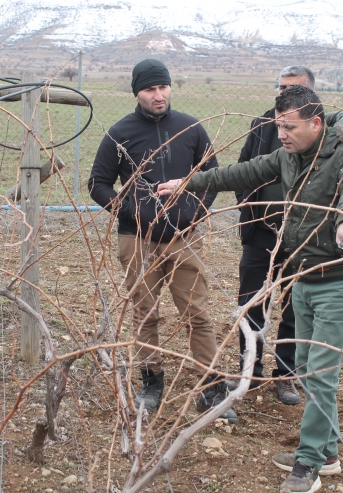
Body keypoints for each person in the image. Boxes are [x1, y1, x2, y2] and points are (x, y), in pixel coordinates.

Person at [158, 85, 343, 493]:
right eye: (278, 125)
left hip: (341, 281)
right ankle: (326, 453)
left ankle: (308, 464)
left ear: (315, 123)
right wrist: (189, 182)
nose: (281, 134)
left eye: (289, 127)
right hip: (306, 276)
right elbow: (240, 173)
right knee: (312, 369)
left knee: (322, 373)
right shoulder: (288, 156)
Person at [88, 59, 237, 422]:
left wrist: (195, 212)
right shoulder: (119, 133)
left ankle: (210, 385)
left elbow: (212, 175)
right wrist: (130, 211)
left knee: (197, 312)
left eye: (163, 87)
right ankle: (151, 380)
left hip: (184, 237)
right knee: (144, 313)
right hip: (137, 239)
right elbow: (98, 184)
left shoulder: (190, 128)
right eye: (150, 89)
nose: (158, 95)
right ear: (137, 92)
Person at [231, 66, 343, 407]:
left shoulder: (329, 134)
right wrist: (248, 206)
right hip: (261, 231)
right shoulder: (263, 124)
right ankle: (249, 368)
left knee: (293, 308)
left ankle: (285, 375)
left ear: (311, 97)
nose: (283, 95)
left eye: (293, 89)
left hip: (301, 236)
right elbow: (244, 168)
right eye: (281, 88)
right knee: (252, 300)